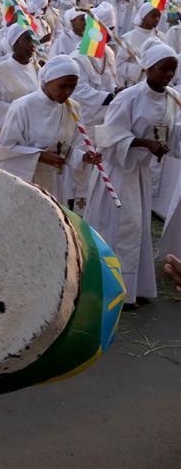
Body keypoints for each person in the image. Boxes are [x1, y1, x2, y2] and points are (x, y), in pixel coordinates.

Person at [85, 43, 179, 309]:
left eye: (173, 69)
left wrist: (163, 143)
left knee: (138, 230)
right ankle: (117, 291)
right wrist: (144, 143)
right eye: (164, 69)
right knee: (120, 229)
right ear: (148, 67)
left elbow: (171, 130)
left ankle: (136, 287)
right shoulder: (129, 97)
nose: (169, 74)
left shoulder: (172, 97)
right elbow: (109, 135)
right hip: (119, 171)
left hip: (140, 173)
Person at [0, 55, 102, 206]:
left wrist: (84, 157)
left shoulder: (72, 108)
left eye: (72, 87)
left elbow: (71, 148)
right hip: (27, 181)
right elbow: (5, 150)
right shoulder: (22, 107)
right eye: (62, 86)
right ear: (47, 81)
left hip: (57, 183)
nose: (67, 92)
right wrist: (39, 156)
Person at [0, 24, 41, 162]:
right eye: (26, 40)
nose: (32, 45)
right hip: (1, 135)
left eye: (32, 40)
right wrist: (19, 111)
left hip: (28, 136)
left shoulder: (35, 68)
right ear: (14, 44)